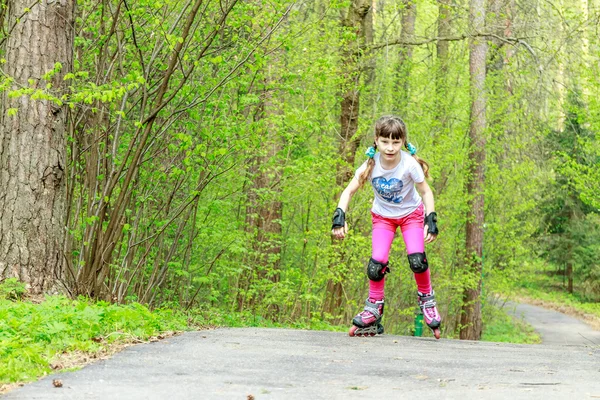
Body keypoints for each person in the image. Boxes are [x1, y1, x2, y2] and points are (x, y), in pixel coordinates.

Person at [331, 115, 441, 338]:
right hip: (383, 218)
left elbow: (426, 191)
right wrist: (339, 216)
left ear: (403, 142)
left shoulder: (409, 164)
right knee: (376, 264)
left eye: (396, 142)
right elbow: (348, 191)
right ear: (376, 141)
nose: (390, 148)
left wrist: (431, 218)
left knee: (417, 259)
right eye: (385, 142)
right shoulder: (369, 167)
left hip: (411, 215)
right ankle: (374, 306)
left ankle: (427, 300)